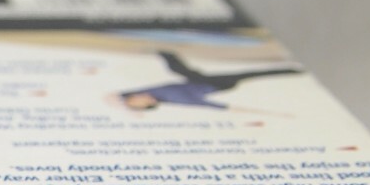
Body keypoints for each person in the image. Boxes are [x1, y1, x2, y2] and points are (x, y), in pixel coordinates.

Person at [118, 50, 301, 112]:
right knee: (249, 74)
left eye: (133, 99)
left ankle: (167, 54)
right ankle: (291, 70)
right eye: (137, 102)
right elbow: (225, 108)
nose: (136, 97)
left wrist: (128, 108)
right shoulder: (179, 99)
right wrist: (276, 114)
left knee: (182, 71)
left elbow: (115, 96)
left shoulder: (146, 91)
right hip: (216, 84)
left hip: (199, 79)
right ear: (149, 104)